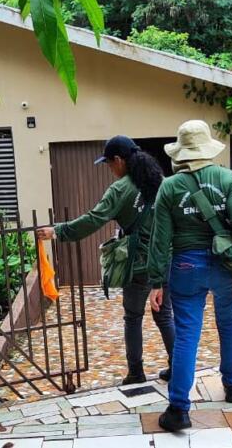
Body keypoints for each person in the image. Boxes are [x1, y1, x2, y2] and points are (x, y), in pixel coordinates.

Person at [147, 120, 232, 431]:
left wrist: (156, 282)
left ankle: (178, 409)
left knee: (187, 335)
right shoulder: (228, 179)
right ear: (208, 149)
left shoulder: (169, 187)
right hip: (225, 266)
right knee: (228, 324)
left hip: (185, 267)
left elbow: (160, 238)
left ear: (181, 153)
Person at [36, 136, 175, 385]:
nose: (110, 169)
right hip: (164, 259)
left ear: (119, 160)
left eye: (110, 164)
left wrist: (58, 231)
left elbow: (94, 219)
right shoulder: (160, 182)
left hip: (139, 264)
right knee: (164, 315)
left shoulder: (121, 189)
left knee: (133, 317)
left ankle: (136, 372)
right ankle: (178, 366)